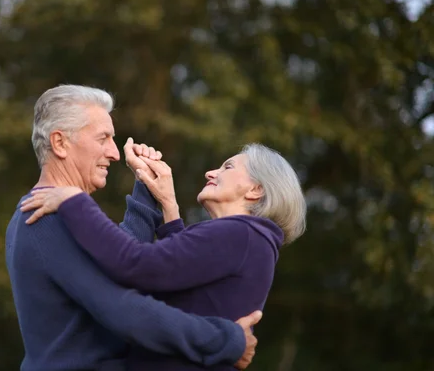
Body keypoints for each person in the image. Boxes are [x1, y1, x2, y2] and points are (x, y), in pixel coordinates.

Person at [5, 84, 262, 371]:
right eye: (103, 138)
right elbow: (125, 310)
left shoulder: (56, 212)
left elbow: (121, 266)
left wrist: (145, 188)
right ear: (60, 143)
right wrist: (226, 339)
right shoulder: (48, 217)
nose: (115, 153)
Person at [21, 142, 307, 370]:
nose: (211, 173)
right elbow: (183, 280)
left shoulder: (239, 234)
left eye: (228, 167)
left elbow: (137, 265)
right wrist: (168, 206)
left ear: (256, 190)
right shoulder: (249, 240)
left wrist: (76, 202)